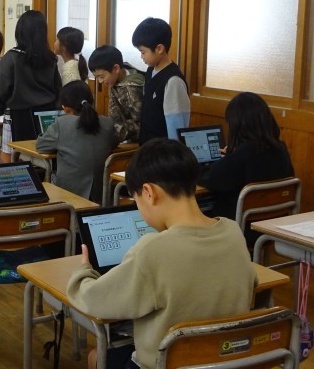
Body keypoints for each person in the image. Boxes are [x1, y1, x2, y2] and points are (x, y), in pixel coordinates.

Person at [67, 138, 256, 369]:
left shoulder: (152, 250)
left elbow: (93, 300)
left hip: (163, 364)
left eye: (136, 200)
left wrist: (83, 272)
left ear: (149, 192)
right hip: (226, 360)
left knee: (97, 356)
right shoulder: (233, 232)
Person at [199, 92, 294, 225]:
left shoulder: (243, 155)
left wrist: (229, 158)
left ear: (237, 124)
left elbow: (208, 178)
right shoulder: (281, 149)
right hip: (274, 223)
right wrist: (231, 157)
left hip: (241, 227)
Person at [36, 80, 118, 201]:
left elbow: (41, 146)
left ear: (66, 108)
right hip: (101, 193)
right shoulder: (107, 123)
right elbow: (113, 143)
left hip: (69, 192)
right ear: (92, 100)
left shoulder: (62, 123)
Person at [0, 10, 61, 141]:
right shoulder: (50, 59)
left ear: (19, 32)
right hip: (48, 117)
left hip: (19, 118)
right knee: (45, 151)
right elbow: (58, 89)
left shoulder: (11, 58)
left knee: (17, 153)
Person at [132, 17, 190, 144]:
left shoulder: (173, 80)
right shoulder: (150, 71)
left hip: (164, 151)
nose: (141, 57)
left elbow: (176, 126)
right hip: (148, 146)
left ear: (159, 49)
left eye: (143, 52)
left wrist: (173, 152)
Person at [88, 45, 145, 143]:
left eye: (102, 76)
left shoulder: (131, 88)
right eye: (96, 77)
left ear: (116, 68)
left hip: (137, 143)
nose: (100, 81)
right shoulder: (116, 78)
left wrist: (113, 132)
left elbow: (140, 125)